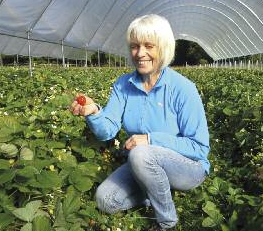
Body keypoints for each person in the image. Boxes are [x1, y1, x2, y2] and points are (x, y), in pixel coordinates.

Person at [70, 14, 210, 230]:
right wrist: (94, 112)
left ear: (163, 48)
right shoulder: (123, 85)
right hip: (143, 163)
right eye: (135, 46)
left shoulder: (183, 89)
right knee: (104, 200)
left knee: (141, 153)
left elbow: (199, 148)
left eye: (148, 46)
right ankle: (154, 190)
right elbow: (107, 131)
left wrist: (151, 140)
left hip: (188, 168)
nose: (140, 53)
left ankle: (167, 222)